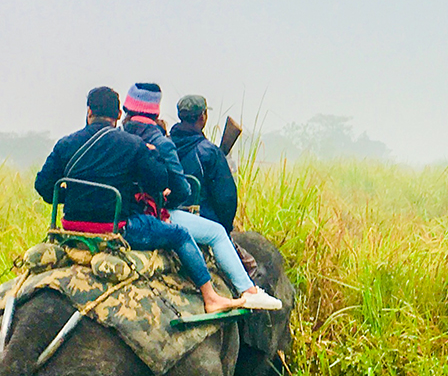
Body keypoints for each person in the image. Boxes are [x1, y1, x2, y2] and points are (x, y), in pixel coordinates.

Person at [34, 86, 252, 314]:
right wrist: (152, 155)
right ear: (118, 115)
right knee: (180, 234)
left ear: (89, 111)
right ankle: (211, 296)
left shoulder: (65, 144)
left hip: (71, 228)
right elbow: (158, 183)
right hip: (118, 229)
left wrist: (77, 196)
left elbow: (44, 187)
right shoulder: (132, 144)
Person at [123, 82, 281, 311]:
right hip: (164, 214)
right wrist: (167, 205)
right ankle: (248, 291)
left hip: (124, 212)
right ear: (203, 117)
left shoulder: (123, 138)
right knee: (217, 233)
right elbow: (209, 196)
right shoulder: (173, 146)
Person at [169, 94, 238, 232]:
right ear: (203, 117)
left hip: (168, 216)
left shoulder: (164, 143)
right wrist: (226, 228)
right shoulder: (210, 152)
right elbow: (226, 198)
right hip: (204, 220)